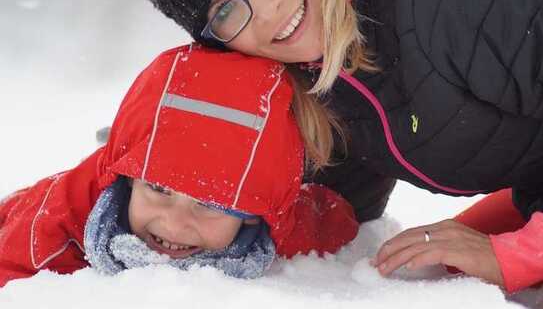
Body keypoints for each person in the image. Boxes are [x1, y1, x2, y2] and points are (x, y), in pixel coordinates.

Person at [124, 0, 543, 293]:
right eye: (226, 12)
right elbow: (334, 210)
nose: (267, 11)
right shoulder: (319, 76)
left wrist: (515, 256)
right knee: (424, 268)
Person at [0, 45, 359, 288]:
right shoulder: (50, 227)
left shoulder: (272, 223)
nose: (173, 223)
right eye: (158, 189)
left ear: (253, 214)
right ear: (129, 179)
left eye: (209, 204)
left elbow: (328, 219)